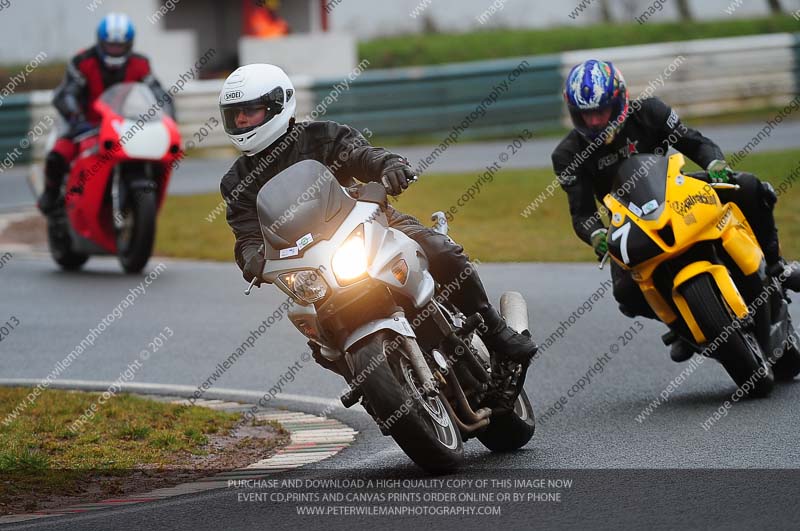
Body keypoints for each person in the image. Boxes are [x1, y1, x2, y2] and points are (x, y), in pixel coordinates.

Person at [218, 63, 537, 400]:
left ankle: (497, 332)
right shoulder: (236, 181)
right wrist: (252, 259)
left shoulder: (321, 136)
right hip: (310, 266)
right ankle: (370, 386)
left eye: (249, 112)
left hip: (364, 224)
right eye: (235, 115)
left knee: (439, 249)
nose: (241, 122)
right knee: (317, 332)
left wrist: (389, 166)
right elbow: (246, 234)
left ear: (277, 106)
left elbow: (361, 154)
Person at [551, 59, 800, 362]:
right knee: (626, 292)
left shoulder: (651, 112)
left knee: (749, 187)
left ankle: (775, 266)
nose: (594, 122)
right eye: (585, 115)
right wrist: (596, 235)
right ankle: (683, 326)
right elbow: (581, 213)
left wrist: (714, 163)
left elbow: (694, 142)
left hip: (677, 190)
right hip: (630, 220)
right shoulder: (567, 154)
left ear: (619, 101)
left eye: (600, 112)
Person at [37, 12, 172, 214]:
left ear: (130, 44)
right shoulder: (82, 61)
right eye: (111, 45)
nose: (115, 51)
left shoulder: (140, 64)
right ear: (101, 42)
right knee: (59, 154)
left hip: (121, 123)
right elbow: (65, 94)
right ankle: (51, 194)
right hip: (82, 122)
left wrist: (168, 117)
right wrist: (75, 117)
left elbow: (158, 92)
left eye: (120, 46)